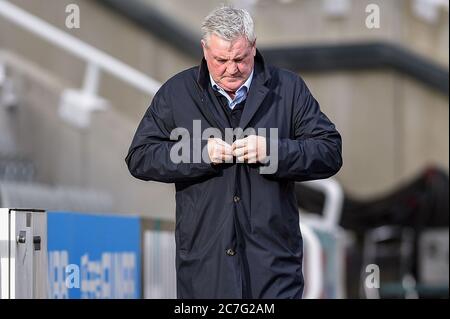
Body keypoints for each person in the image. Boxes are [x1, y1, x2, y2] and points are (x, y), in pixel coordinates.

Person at [126, 6, 342, 299]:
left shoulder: (289, 89)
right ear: (204, 50)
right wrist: (200, 153)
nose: (231, 68)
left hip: (274, 270)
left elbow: (329, 150)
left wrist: (272, 151)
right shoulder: (176, 92)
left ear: (253, 48)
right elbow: (140, 156)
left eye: (240, 58)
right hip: (204, 270)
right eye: (221, 60)